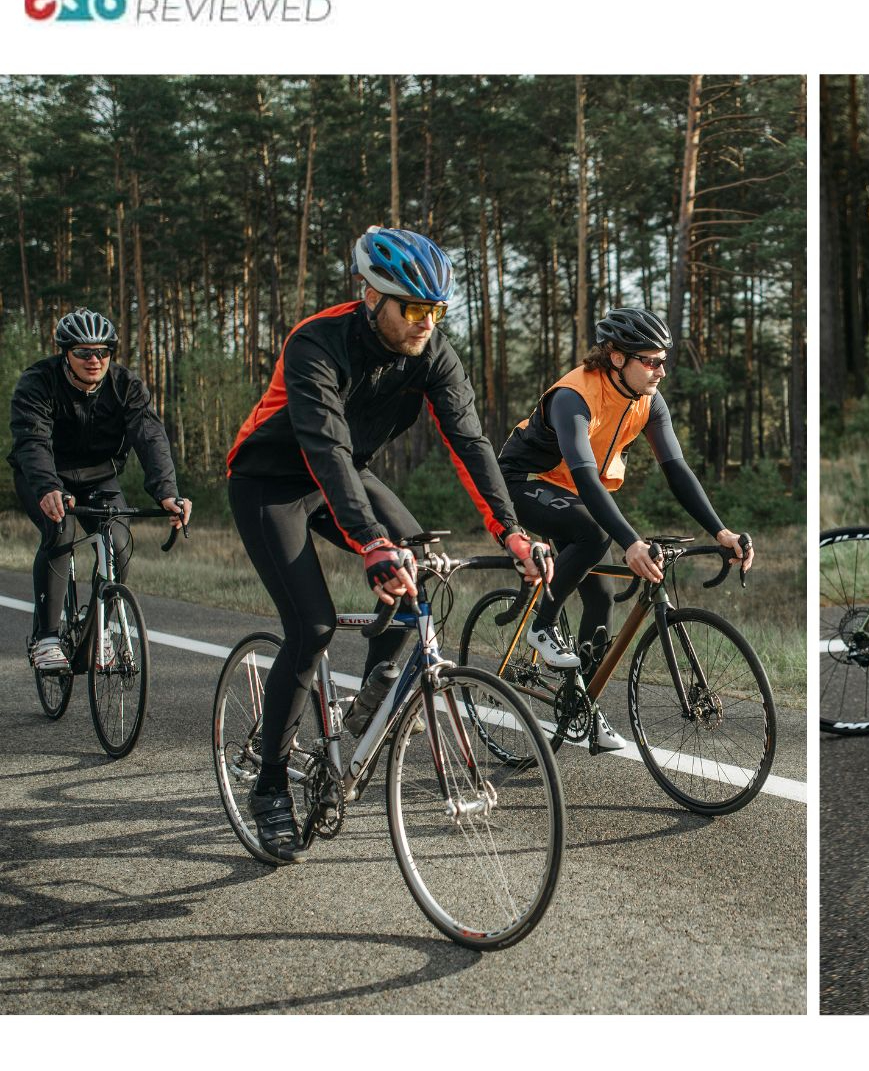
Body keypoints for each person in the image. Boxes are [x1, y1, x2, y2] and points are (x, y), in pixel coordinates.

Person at [226, 226, 544, 862]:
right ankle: (269, 791)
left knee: (417, 573)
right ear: (371, 297)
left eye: (436, 310)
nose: (426, 323)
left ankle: (360, 721)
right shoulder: (317, 342)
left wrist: (511, 531)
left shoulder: (433, 355)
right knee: (312, 626)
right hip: (271, 481)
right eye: (413, 308)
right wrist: (370, 542)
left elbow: (471, 443)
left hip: (346, 476)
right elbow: (326, 447)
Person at [497, 306, 752, 752]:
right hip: (524, 483)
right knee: (593, 536)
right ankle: (542, 625)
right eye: (650, 361)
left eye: (663, 361)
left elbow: (676, 469)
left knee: (600, 597)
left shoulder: (648, 401)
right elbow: (584, 476)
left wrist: (721, 532)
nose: (661, 371)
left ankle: (582, 708)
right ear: (616, 358)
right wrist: (630, 540)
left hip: (573, 492)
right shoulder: (573, 397)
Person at [9, 308, 190, 669]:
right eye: (84, 352)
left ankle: (100, 633)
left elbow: (150, 437)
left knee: (119, 545)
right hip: (45, 476)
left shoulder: (126, 385)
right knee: (60, 532)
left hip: (99, 476)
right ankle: (46, 638)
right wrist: (48, 487)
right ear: (66, 353)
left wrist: (167, 493)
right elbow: (32, 441)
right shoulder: (38, 382)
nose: (95, 360)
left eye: (103, 352)